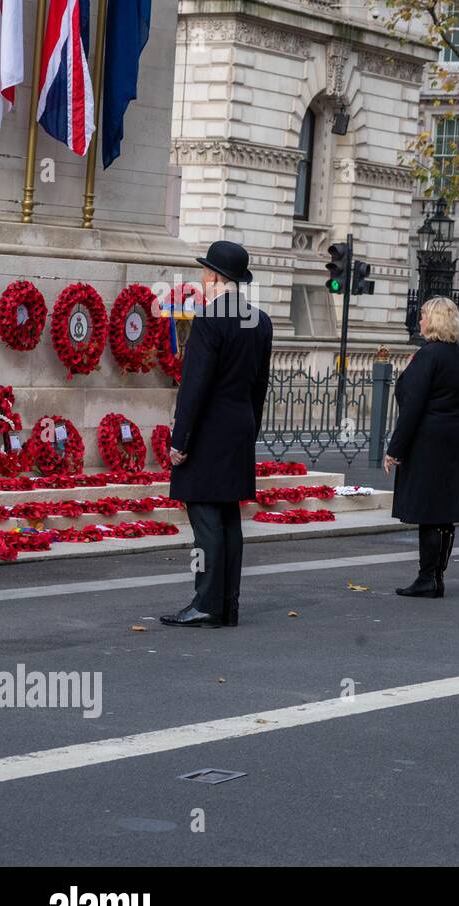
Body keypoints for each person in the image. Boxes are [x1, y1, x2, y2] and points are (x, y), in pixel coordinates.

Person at [162, 241, 273, 628]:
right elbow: (260, 384)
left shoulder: (210, 319)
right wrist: (250, 427)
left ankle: (205, 601)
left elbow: (195, 385)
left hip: (208, 430)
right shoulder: (259, 320)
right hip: (239, 426)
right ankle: (228, 602)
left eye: (203, 273)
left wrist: (180, 439)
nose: (201, 279)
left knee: (205, 520)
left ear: (213, 277)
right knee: (228, 519)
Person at [383, 297, 459, 598]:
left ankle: (427, 577)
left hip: (428, 438)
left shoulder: (428, 355)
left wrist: (394, 448)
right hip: (453, 435)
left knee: (429, 510)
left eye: (422, 316)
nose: (419, 321)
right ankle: (436, 575)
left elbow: (413, 406)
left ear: (433, 321)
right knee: (443, 511)